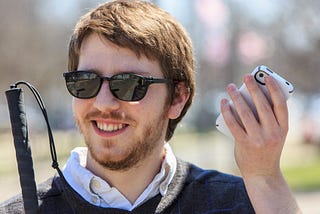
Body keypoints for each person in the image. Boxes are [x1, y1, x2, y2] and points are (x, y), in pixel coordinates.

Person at [1, 0, 301, 213]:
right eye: (85, 82)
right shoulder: (20, 210)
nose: (104, 103)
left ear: (177, 97)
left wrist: (265, 177)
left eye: (129, 84)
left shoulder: (245, 202)